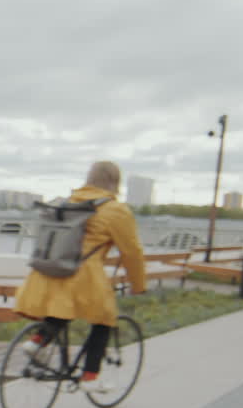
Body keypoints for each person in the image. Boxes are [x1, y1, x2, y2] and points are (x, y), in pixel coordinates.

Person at [13, 161, 146, 392]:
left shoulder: (69, 201)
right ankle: (90, 377)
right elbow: (132, 251)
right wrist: (138, 284)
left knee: (62, 307)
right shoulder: (116, 210)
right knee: (104, 319)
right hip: (82, 274)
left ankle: (37, 342)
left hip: (46, 271)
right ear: (116, 183)